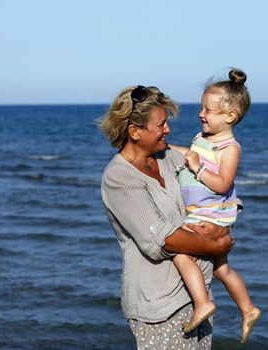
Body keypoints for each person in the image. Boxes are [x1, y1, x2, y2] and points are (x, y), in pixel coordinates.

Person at [97, 84, 234, 349]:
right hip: (159, 306)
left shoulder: (168, 157)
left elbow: (205, 175)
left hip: (197, 296)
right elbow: (163, 239)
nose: (167, 129)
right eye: (160, 125)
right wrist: (217, 246)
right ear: (134, 132)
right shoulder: (119, 178)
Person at [170, 68, 261, 343]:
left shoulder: (229, 148)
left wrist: (198, 170)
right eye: (202, 107)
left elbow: (222, 183)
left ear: (229, 116)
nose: (201, 113)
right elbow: (190, 154)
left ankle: (203, 303)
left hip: (212, 215)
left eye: (208, 110)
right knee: (222, 269)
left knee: (177, 250)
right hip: (203, 211)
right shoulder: (202, 138)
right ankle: (248, 308)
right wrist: (165, 149)